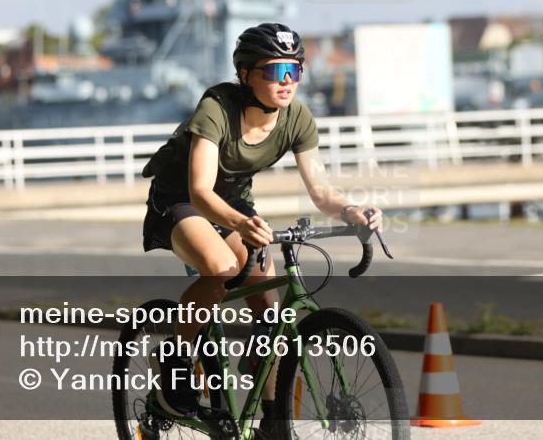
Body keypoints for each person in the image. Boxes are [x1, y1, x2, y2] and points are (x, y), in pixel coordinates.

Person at [140, 22, 384, 426]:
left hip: (234, 204)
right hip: (180, 199)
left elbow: (322, 192)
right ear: (246, 74)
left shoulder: (297, 118)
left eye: (295, 71)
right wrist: (242, 222)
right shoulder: (217, 107)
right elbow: (200, 191)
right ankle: (175, 358)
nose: (288, 82)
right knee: (221, 268)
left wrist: (351, 211)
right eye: (275, 71)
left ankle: (272, 420)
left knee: (270, 320)